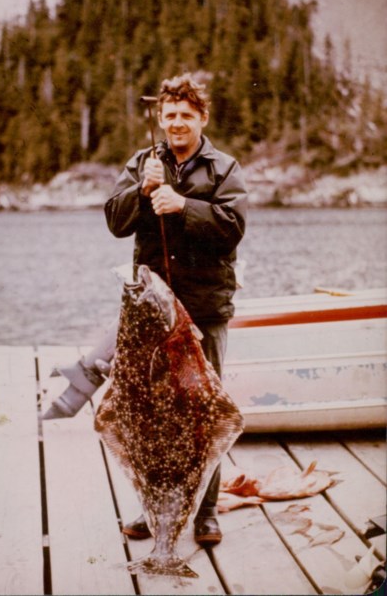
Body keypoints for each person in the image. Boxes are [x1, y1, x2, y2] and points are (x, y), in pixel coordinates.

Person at [104, 72, 248, 546]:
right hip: (151, 315)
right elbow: (115, 221)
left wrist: (184, 206)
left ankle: (206, 512)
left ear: (202, 117)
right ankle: (154, 507)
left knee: (206, 410)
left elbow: (232, 227)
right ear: (161, 119)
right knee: (151, 413)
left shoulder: (224, 169)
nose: (177, 123)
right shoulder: (143, 163)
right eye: (170, 115)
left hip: (204, 309)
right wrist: (142, 192)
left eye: (187, 114)